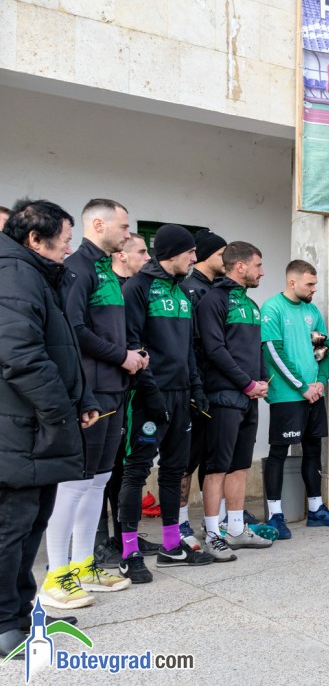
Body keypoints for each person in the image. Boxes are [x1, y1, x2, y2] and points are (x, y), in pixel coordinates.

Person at [0, 200, 100, 659]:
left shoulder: (36, 274)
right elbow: (20, 356)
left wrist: (82, 400)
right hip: (21, 428)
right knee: (12, 529)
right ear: (35, 240)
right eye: (64, 240)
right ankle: (4, 625)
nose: (69, 248)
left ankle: (21, 615)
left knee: (29, 526)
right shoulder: (14, 274)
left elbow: (61, 349)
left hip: (37, 427)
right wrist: (60, 412)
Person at [42, 199, 140, 610]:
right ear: (98, 224)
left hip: (114, 390)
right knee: (74, 484)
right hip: (90, 394)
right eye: (123, 226)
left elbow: (110, 327)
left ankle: (84, 566)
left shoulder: (106, 269)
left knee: (98, 481)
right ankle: (56, 575)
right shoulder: (78, 269)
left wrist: (130, 354)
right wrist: (121, 356)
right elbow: (73, 330)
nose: (127, 233)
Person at [119, 224, 211, 584]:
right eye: (190, 252)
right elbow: (132, 343)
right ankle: (128, 553)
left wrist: (196, 389)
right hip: (147, 395)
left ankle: (172, 546)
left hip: (181, 394)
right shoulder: (137, 287)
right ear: (172, 253)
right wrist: (151, 392)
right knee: (136, 471)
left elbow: (188, 348)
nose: (194, 258)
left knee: (174, 470)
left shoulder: (184, 292)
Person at [196, 242, 273, 560]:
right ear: (240, 266)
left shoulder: (251, 304)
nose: (262, 272)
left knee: (240, 466)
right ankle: (213, 533)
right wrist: (246, 383)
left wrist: (262, 381)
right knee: (217, 467)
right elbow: (214, 349)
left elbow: (256, 348)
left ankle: (236, 529)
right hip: (224, 397)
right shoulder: (214, 300)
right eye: (258, 265)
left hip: (249, 397)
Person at [261, 260, 329, 538]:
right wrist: (301, 386)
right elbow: (274, 352)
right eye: (310, 284)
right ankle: (275, 515)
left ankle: (316, 510)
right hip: (288, 396)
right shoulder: (273, 308)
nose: (314, 289)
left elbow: (324, 350)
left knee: (313, 449)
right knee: (278, 452)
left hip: (314, 394)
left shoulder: (312, 311)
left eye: (315, 284)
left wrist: (320, 381)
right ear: (292, 282)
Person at [95, 233, 151, 569]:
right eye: (142, 251)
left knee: (122, 468)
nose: (148, 257)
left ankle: (124, 535)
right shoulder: (103, 287)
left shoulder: (133, 289)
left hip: (131, 391)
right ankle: (99, 542)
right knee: (98, 472)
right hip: (104, 389)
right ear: (121, 255)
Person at [177, 229, 227, 549]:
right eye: (222, 254)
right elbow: (190, 344)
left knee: (213, 460)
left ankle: (215, 520)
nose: (227, 259)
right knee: (187, 460)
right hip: (194, 390)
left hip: (218, 390)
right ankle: (180, 521)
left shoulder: (221, 290)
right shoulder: (187, 289)